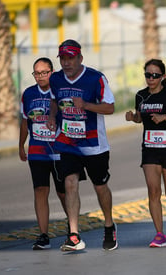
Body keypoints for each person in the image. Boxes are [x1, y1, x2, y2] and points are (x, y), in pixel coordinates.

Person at [46, 39, 118, 251]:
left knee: (100, 186)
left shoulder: (95, 78)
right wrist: (52, 117)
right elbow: (53, 101)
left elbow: (110, 108)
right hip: (67, 142)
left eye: (70, 58)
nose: (66, 63)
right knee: (70, 182)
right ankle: (74, 235)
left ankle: (108, 225)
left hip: (94, 144)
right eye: (63, 59)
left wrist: (86, 105)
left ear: (80, 58)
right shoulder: (56, 79)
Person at [125, 59, 166, 247]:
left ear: (162, 77)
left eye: (155, 75)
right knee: (153, 191)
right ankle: (159, 234)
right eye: (147, 75)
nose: (151, 79)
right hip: (150, 150)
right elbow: (140, 118)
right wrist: (133, 117)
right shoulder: (141, 96)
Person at [19, 57, 67, 250]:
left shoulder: (61, 92)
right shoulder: (29, 94)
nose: (40, 77)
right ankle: (43, 235)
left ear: (52, 72)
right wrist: (21, 144)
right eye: (36, 73)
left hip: (60, 152)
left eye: (44, 72)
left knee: (64, 192)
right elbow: (24, 121)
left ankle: (73, 231)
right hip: (37, 151)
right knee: (40, 190)